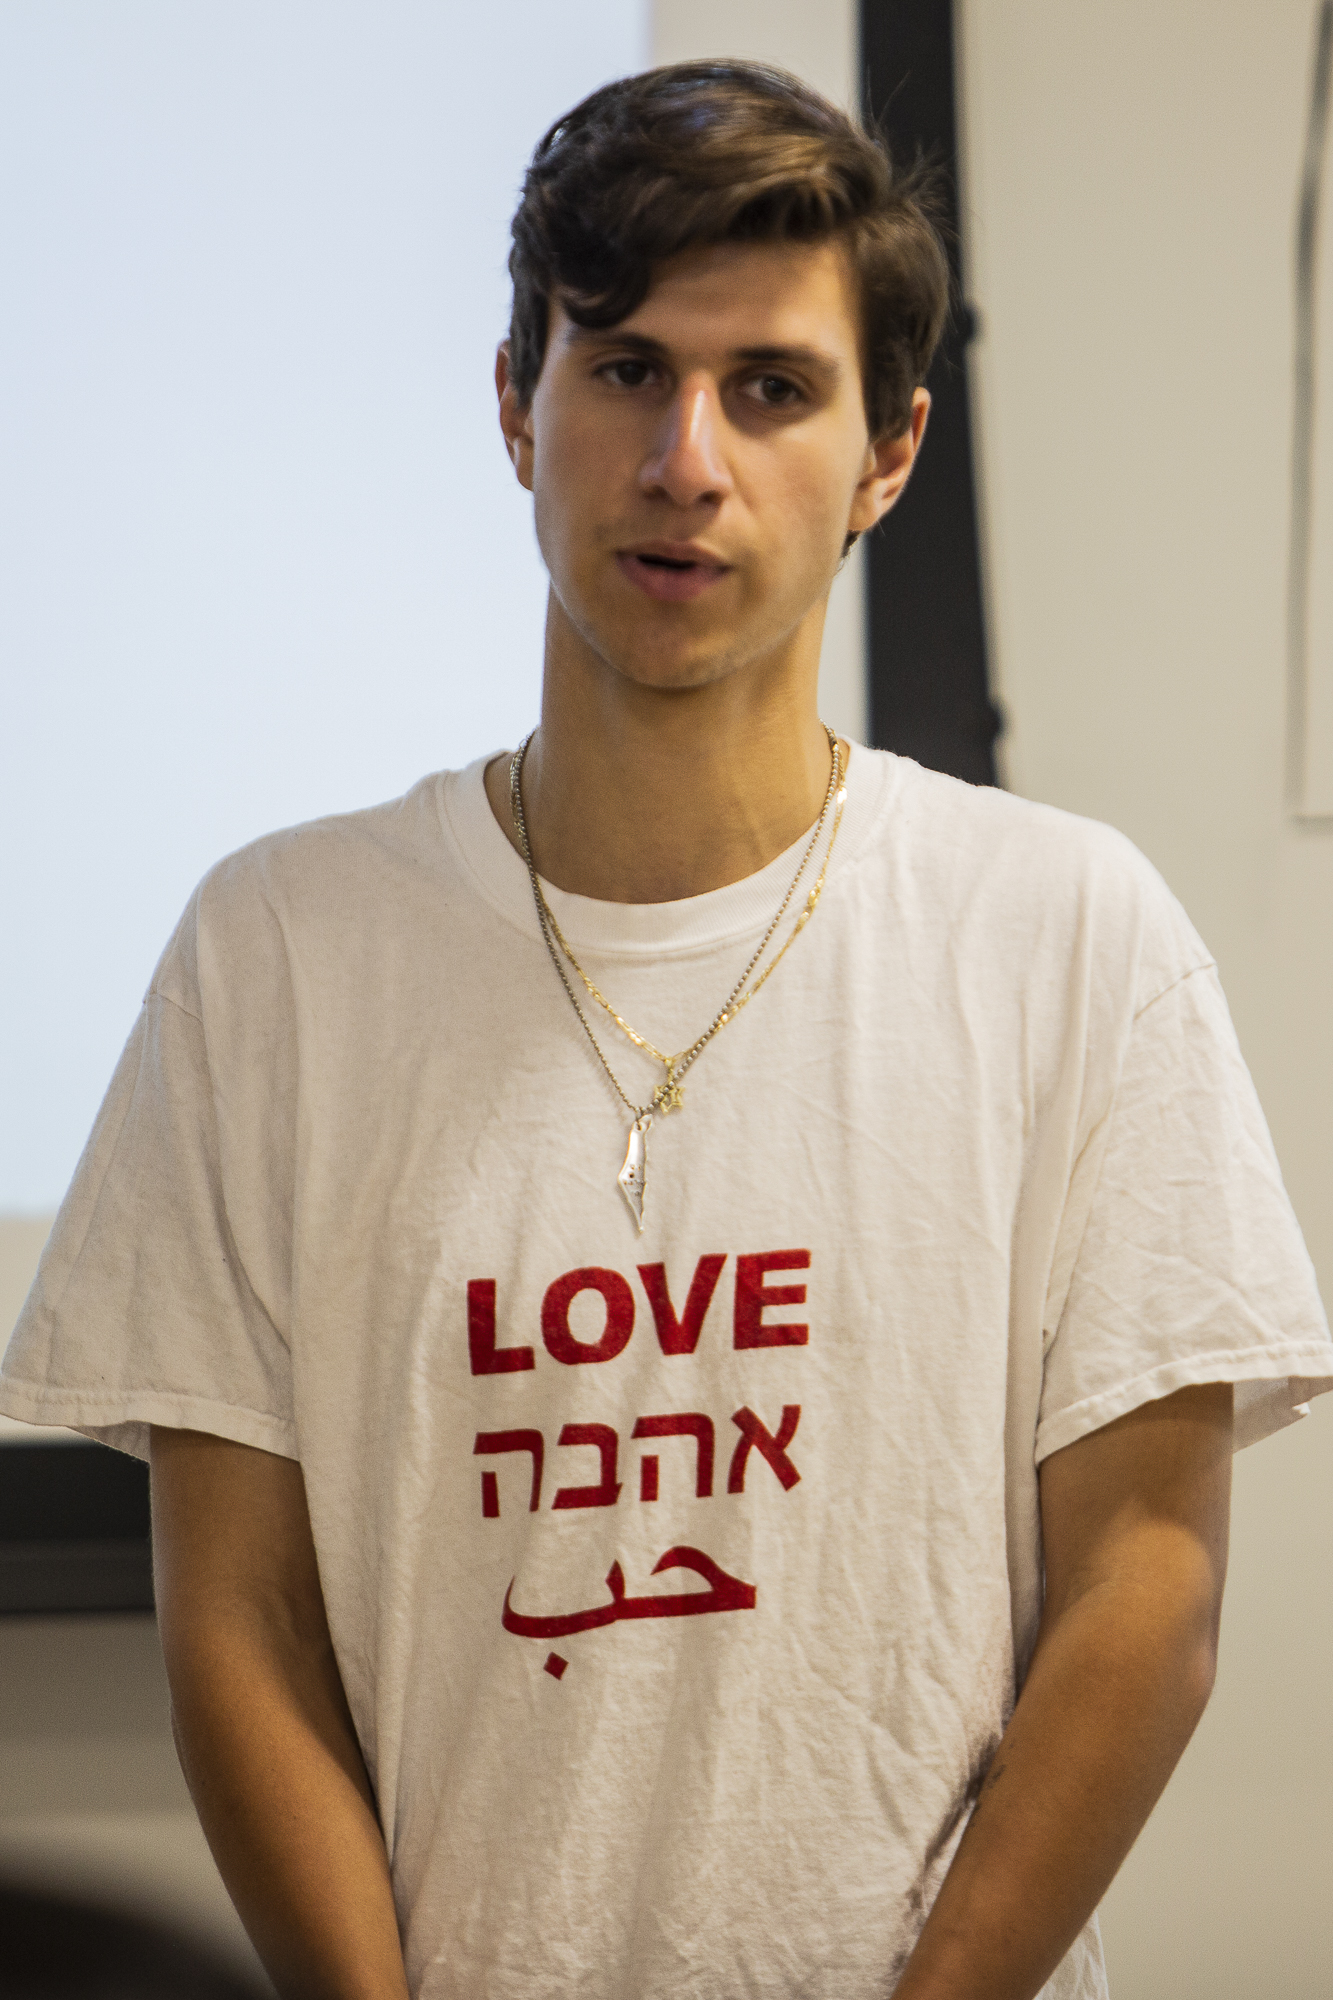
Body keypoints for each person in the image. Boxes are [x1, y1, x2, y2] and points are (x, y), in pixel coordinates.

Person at [2, 59, 1330, 2000]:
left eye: (770, 388)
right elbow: (239, 1613)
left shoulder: (1071, 938)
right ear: (512, 403)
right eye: (622, 365)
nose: (683, 457)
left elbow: (1148, 1587)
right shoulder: (273, 953)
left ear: (887, 452)